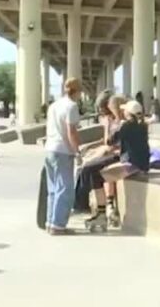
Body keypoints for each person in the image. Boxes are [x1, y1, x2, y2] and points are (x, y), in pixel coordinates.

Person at [78, 93, 125, 226]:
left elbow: (112, 144)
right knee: (90, 168)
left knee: (93, 169)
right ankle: (101, 210)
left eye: (106, 110)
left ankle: (103, 206)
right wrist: (90, 147)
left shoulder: (122, 123)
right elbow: (107, 141)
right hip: (114, 152)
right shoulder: (113, 121)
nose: (103, 114)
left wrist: (99, 152)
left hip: (119, 155)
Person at [43, 78, 82, 235]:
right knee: (65, 189)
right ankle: (58, 225)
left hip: (50, 149)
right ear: (77, 91)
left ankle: (50, 222)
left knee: (53, 188)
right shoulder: (71, 106)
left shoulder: (54, 105)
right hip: (63, 150)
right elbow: (71, 131)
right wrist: (77, 151)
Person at [102, 100, 151, 183]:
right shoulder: (143, 125)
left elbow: (109, 142)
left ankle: (109, 195)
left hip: (131, 165)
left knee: (96, 174)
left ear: (128, 113)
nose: (123, 112)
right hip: (144, 164)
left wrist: (107, 126)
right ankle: (110, 195)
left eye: (125, 110)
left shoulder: (126, 126)